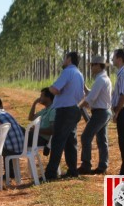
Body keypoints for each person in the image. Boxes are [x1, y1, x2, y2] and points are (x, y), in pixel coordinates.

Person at [45, 51, 85, 180]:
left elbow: (56, 89)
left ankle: (51, 173)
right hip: (74, 109)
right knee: (70, 141)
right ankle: (72, 170)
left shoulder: (67, 71)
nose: (63, 61)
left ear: (69, 59)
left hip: (65, 110)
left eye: (64, 58)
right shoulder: (79, 74)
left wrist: (50, 88)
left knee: (58, 141)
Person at [78, 56, 113, 175]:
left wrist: (78, 107)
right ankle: (103, 165)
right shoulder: (103, 78)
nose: (91, 67)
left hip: (100, 113)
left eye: (93, 65)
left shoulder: (100, 80)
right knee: (102, 139)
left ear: (98, 65)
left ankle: (86, 164)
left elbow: (90, 98)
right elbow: (91, 93)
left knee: (86, 137)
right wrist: (84, 86)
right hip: (104, 112)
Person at [0, 95, 24, 176]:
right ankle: (10, 172)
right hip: (21, 146)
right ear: (0, 105)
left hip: (11, 149)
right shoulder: (5, 112)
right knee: (4, 141)